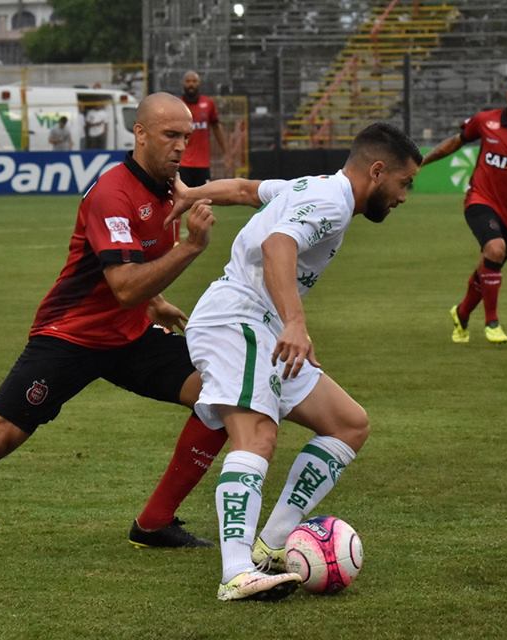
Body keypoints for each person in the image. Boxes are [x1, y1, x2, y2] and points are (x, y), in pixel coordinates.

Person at [0, 93, 232, 559]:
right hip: (69, 336)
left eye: (186, 137)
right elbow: (125, 284)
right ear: (141, 133)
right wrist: (190, 249)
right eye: (170, 135)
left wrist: (156, 302)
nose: (180, 147)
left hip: (129, 334)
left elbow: (133, 269)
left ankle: (154, 524)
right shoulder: (112, 193)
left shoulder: (172, 189)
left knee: (223, 393)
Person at [168, 122, 421, 601]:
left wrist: (190, 194)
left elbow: (244, 190)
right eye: (404, 183)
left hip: (263, 326)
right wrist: (295, 323)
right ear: (378, 170)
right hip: (235, 320)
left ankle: (273, 543)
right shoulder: (328, 201)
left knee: (348, 424)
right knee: (257, 435)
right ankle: (237, 572)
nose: (404, 196)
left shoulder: (313, 187)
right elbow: (276, 245)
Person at [421, 71, 507, 344]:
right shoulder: (485, 121)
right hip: (479, 199)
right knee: (495, 249)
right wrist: (422, 161)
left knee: (490, 264)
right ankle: (492, 322)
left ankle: (461, 314)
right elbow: (455, 141)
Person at [179, 71, 228, 186]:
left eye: (194, 81)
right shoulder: (178, 104)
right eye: (188, 81)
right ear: (183, 83)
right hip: (182, 163)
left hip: (202, 164)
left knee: (203, 200)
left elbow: (216, 127)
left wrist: (226, 152)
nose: (191, 84)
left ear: (199, 83)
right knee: (183, 200)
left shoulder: (208, 103)